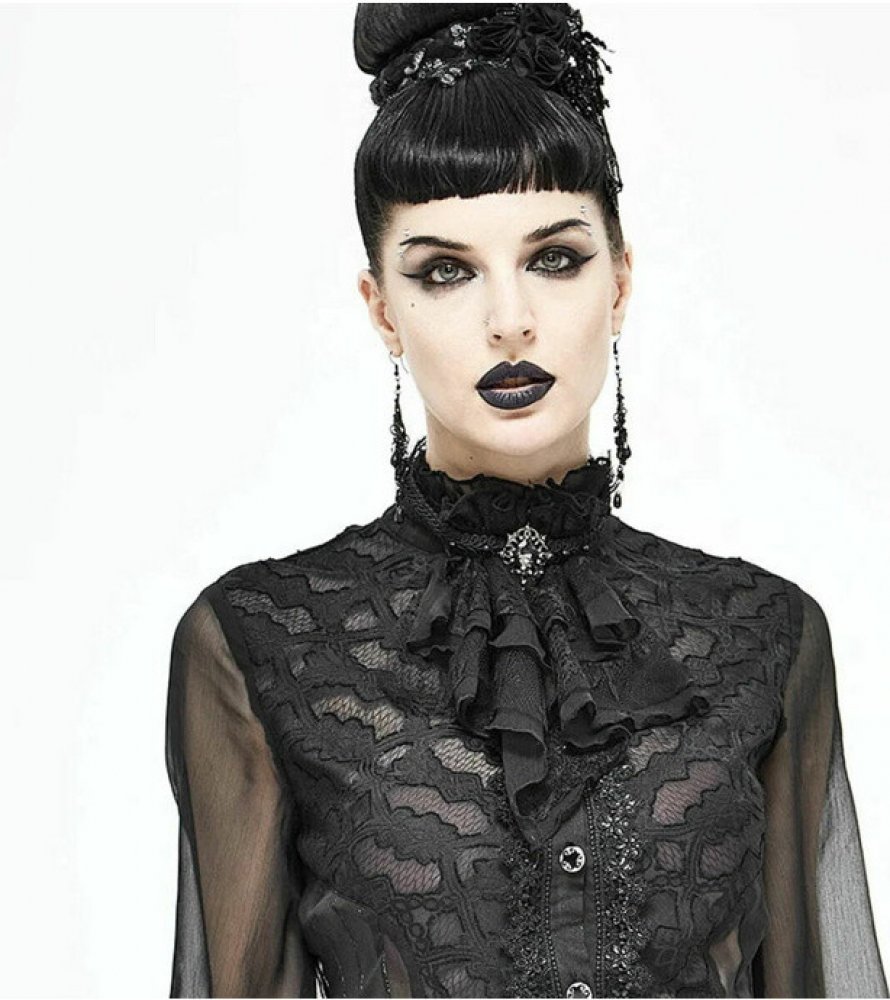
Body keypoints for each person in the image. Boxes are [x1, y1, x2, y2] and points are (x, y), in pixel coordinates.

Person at [163, 4, 888, 997]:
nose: (509, 320)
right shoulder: (258, 645)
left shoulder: (766, 637)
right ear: (382, 309)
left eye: (554, 258)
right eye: (445, 271)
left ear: (619, 282)